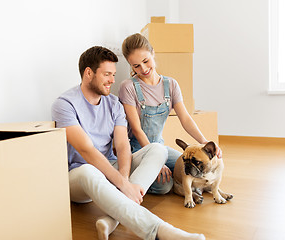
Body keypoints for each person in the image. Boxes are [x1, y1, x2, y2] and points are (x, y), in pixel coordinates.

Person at [51, 46, 205, 240]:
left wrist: (123, 179)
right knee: (88, 171)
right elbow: (86, 149)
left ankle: (111, 219)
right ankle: (161, 231)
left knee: (157, 149)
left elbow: (123, 145)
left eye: (113, 74)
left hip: (111, 169)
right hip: (80, 176)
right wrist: (123, 183)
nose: (112, 81)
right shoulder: (64, 104)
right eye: (107, 74)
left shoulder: (114, 103)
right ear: (88, 73)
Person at [118, 33, 222, 195]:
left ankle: (171, 180)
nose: (143, 69)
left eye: (146, 61)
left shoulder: (171, 85)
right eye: (136, 66)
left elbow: (186, 119)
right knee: (164, 186)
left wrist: (204, 141)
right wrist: (156, 162)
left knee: (187, 165)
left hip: (161, 146)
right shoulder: (128, 87)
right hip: (138, 150)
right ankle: (136, 176)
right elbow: (136, 129)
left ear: (153, 53)